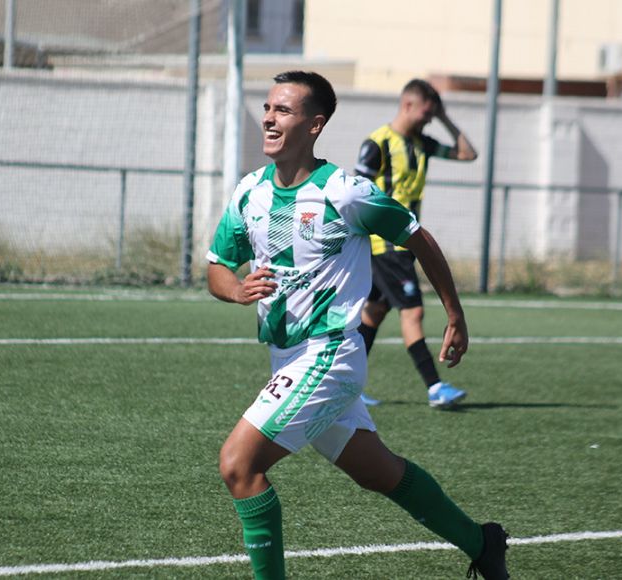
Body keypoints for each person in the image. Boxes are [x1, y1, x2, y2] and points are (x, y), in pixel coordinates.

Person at [206, 70, 508, 580]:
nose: (268, 118)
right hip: (287, 356)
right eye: (267, 108)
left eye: (283, 110)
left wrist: (455, 314)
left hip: (329, 355)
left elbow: (418, 238)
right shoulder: (249, 192)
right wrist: (235, 288)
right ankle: (483, 543)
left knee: (239, 464)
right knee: (381, 473)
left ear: (315, 125)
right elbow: (217, 264)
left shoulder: (344, 192)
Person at [354, 79, 479, 409]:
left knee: (373, 313)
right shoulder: (377, 143)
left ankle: (346, 387)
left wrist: (444, 117)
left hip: (404, 243)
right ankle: (435, 387)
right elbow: (356, 196)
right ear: (407, 105)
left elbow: (468, 153)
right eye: (426, 112)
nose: (428, 119)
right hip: (386, 243)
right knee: (413, 311)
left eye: (432, 115)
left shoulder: (422, 143)